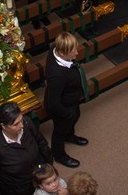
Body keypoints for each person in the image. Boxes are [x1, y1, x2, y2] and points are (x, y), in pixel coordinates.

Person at [0, 102, 53, 195]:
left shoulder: (27, 123)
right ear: (3, 126)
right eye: (16, 124)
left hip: (39, 174)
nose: (21, 125)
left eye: (21, 120)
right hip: (20, 187)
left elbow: (42, 143)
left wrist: (49, 167)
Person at [44, 32, 88, 168]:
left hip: (70, 100)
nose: (76, 53)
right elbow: (53, 104)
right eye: (72, 51)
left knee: (75, 117)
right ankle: (59, 155)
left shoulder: (54, 47)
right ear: (62, 53)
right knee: (59, 131)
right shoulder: (58, 75)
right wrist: (67, 114)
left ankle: (70, 136)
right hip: (61, 107)